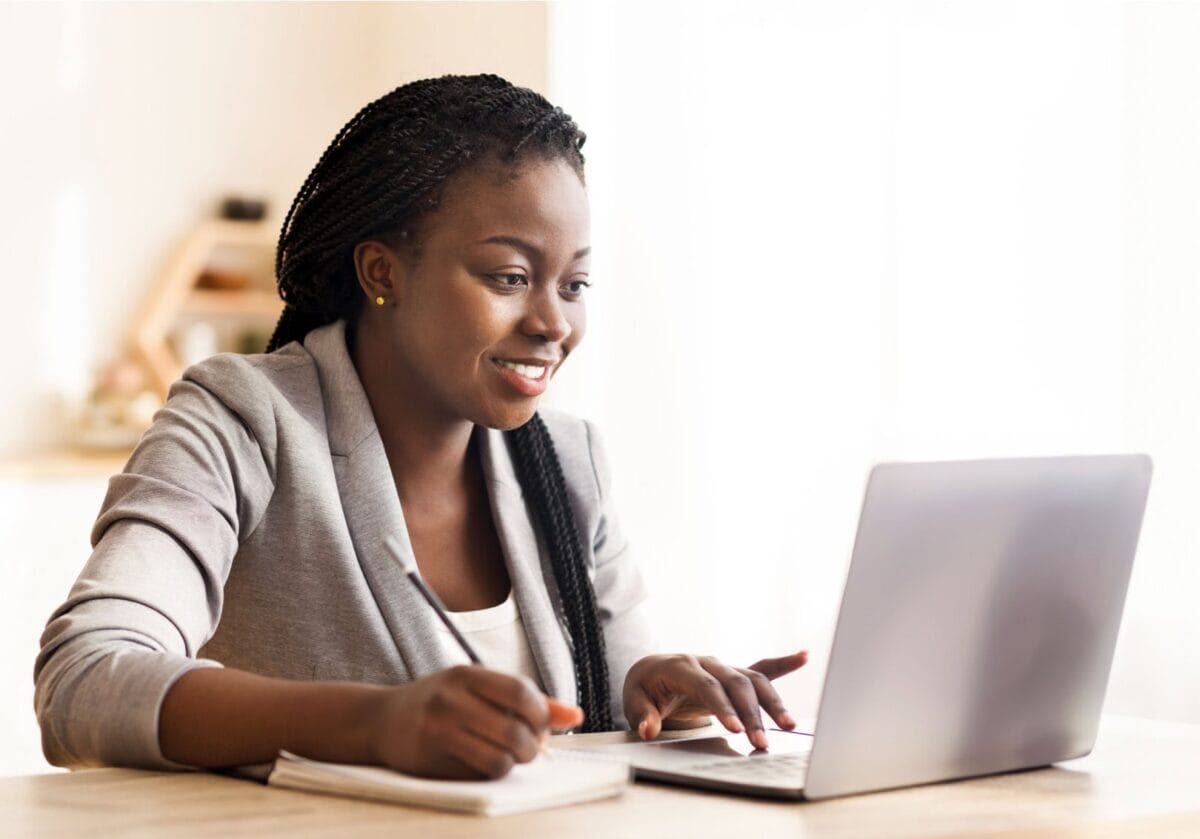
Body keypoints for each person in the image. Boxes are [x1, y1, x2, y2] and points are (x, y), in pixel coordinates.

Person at [34, 74, 808, 780]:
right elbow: (84, 679)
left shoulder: (569, 459)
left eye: (574, 284)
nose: (552, 322)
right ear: (383, 273)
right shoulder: (242, 419)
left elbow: (607, 705)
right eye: (509, 276)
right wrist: (374, 721)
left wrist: (653, 689)